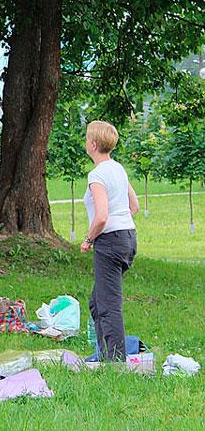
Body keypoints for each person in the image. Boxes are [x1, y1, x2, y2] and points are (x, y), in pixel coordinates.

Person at [81, 120, 139, 362]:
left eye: (86, 139)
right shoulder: (118, 169)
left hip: (110, 242)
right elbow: (134, 206)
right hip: (128, 238)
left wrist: (88, 239)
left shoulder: (97, 175)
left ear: (93, 144)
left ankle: (116, 363)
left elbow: (102, 216)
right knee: (97, 302)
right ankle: (104, 353)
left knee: (108, 306)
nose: (85, 143)